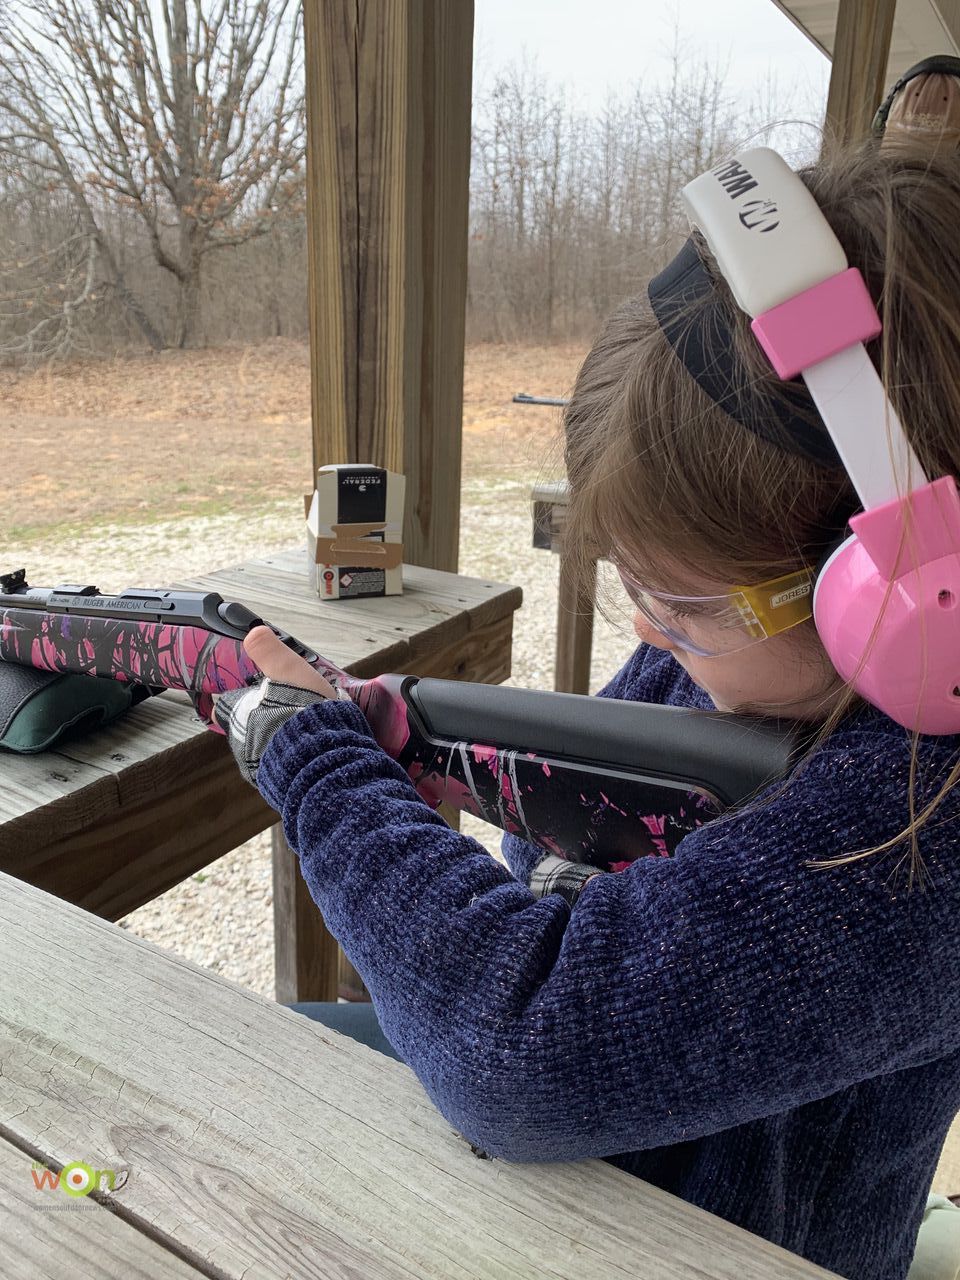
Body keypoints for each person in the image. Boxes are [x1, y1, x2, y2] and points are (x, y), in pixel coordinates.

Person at [215, 144, 960, 1280]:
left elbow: (523, 1049)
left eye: (679, 598)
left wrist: (320, 771)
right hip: (571, 1195)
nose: (648, 631)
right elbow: (556, 834)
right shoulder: (749, 669)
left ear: (901, 592)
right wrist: (433, 778)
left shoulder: (929, 818)